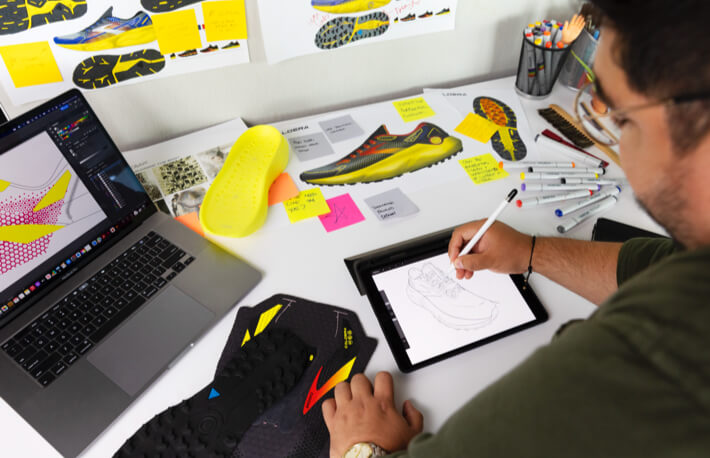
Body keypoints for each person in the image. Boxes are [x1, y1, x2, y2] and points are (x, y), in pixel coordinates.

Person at [321, 0, 710, 456]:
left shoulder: (654, 356)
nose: (618, 146)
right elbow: (658, 267)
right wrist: (531, 252)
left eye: (621, 118)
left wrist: (362, 448)